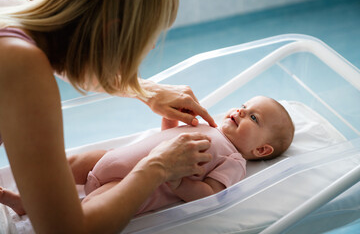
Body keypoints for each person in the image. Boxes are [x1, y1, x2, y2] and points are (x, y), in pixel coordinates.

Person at [0, 0, 218, 233]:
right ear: (110, 33)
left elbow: (69, 59)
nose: (152, 46)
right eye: (149, 38)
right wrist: (157, 166)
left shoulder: (16, 5)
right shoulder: (21, 65)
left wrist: (147, 91)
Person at [0, 96, 295, 216]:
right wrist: (170, 120)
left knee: (91, 205)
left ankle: (30, 209)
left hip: (135, 183)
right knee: (70, 164)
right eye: (244, 106)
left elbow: (212, 195)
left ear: (261, 150)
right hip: (115, 157)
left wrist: (180, 183)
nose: (240, 111)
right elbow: (166, 136)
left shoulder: (233, 162)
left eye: (252, 118)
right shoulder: (210, 126)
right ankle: (30, 194)